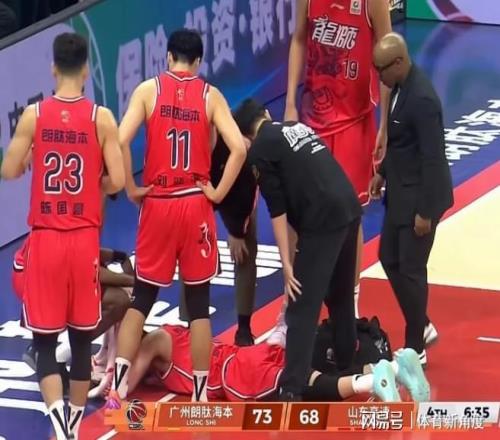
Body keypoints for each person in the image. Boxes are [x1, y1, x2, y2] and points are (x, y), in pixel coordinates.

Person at [108, 29, 246, 406]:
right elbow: (238, 148)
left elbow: (119, 140)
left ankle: (117, 388)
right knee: (198, 304)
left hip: (159, 202)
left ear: (168, 57)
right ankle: (200, 396)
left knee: (142, 298)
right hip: (194, 203)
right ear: (198, 62)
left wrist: (131, 188)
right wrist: (217, 192)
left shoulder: (147, 90)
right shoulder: (211, 95)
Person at [1, 32, 124, 440]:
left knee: (44, 341)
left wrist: (31, 158)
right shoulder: (102, 118)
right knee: (82, 340)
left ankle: (58, 423)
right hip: (83, 239)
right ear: (86, 69)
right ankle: (73, 423)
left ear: (53, 68)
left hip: (47, 239)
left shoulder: (34, 115)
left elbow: (9, 170)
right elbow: (118, 180)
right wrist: (93, 182)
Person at [226, 98, 361, 401]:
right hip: (349, 208)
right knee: (340, 296)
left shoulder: (260, 150)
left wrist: (287, 264)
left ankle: (291, 389)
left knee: (300, 307)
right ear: (266, 114)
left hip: (323, 220)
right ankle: (347, 366)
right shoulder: (295, 127)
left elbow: (277, 210)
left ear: (245, 136)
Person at [283, 0, 393, 320]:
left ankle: (350, 303)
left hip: (353, 122)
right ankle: (292, 306)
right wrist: (290, 102)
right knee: (297, 214)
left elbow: (388, 58)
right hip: (312, 119)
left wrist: (385, 125)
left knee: (349, 218)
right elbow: (299, 39)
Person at [369, 33, 453, 365]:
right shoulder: (398, 89)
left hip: (421, 198)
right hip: (400, 191)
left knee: (412, 269)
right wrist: (382, 173)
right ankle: (423, 324)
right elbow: (401, 144)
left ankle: (415, 346)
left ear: (399, 62)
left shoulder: (422, 99)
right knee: (388, 257)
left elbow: (433, 158)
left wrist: (426, 212)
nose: (378, 76)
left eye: (381, 69)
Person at [124, 325, 429, 403]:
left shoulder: (155, 341)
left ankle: (372, 381)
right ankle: (396, 367)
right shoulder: (173, 334)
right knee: (311, 375)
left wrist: (112, 380)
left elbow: (125, 384)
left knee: (305, 389)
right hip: (249, 356)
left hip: (237, 375)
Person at [179, 134, 258, 346]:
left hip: (233, 187)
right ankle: (190, 325)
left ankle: (244, 328)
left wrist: (236, 231)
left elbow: (246, 190)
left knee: (244, 249)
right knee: (190, 250)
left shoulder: (233, 146)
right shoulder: (183, 149)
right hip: (195, 192)